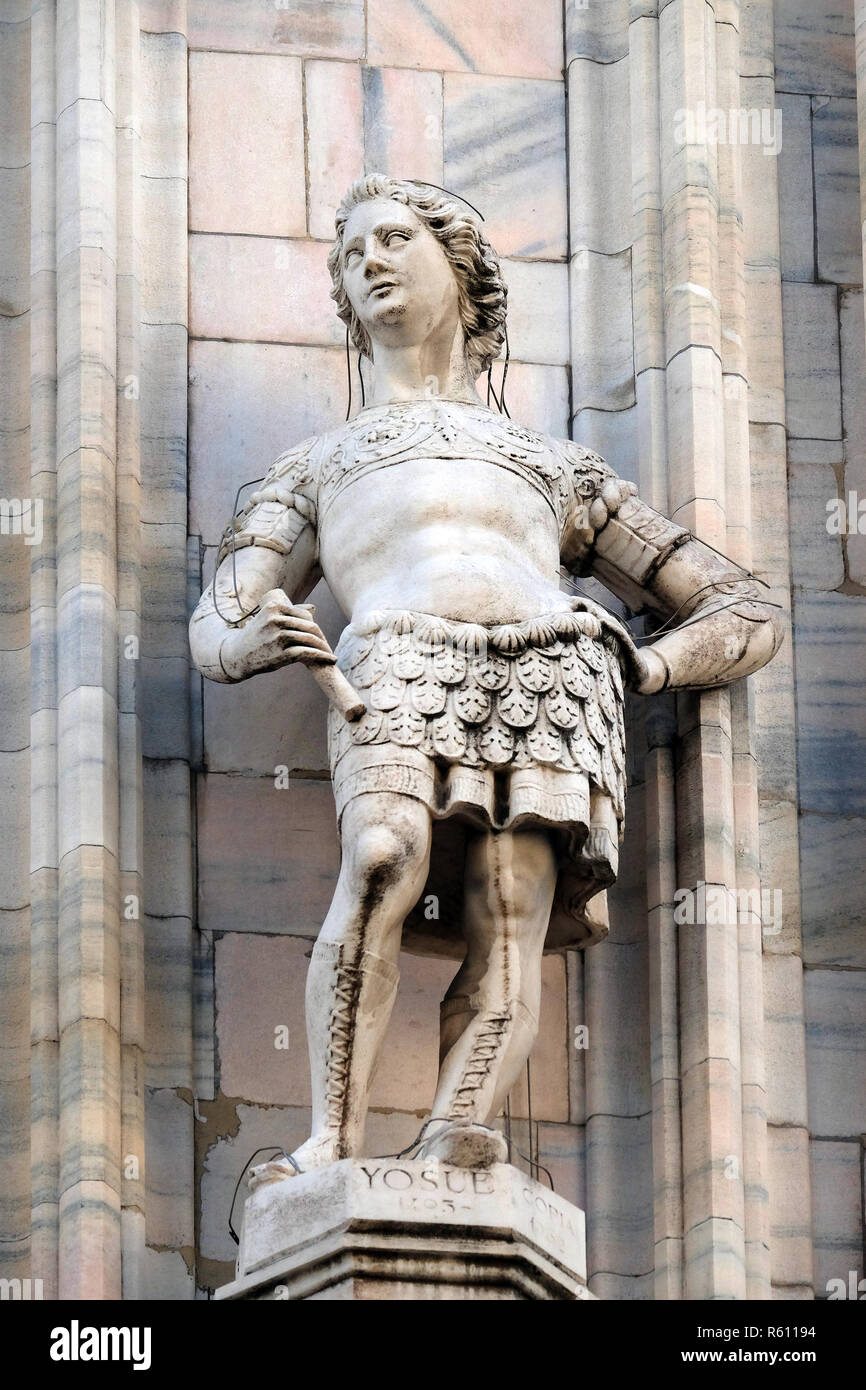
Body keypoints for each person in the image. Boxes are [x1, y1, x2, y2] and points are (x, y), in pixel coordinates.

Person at [189, 174, 783, 1181]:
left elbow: (743, 606)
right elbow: (223, 611)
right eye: (348, 255)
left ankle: (452, 1132)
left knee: (510, 905)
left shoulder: (554, 464)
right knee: (382, 859)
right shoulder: (317, 464)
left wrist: (645, 663)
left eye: (388, 238)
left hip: (552, 678)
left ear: (456, 262)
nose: (366, 261)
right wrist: (253, 641)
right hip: (394, 661)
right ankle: (328, 1138)